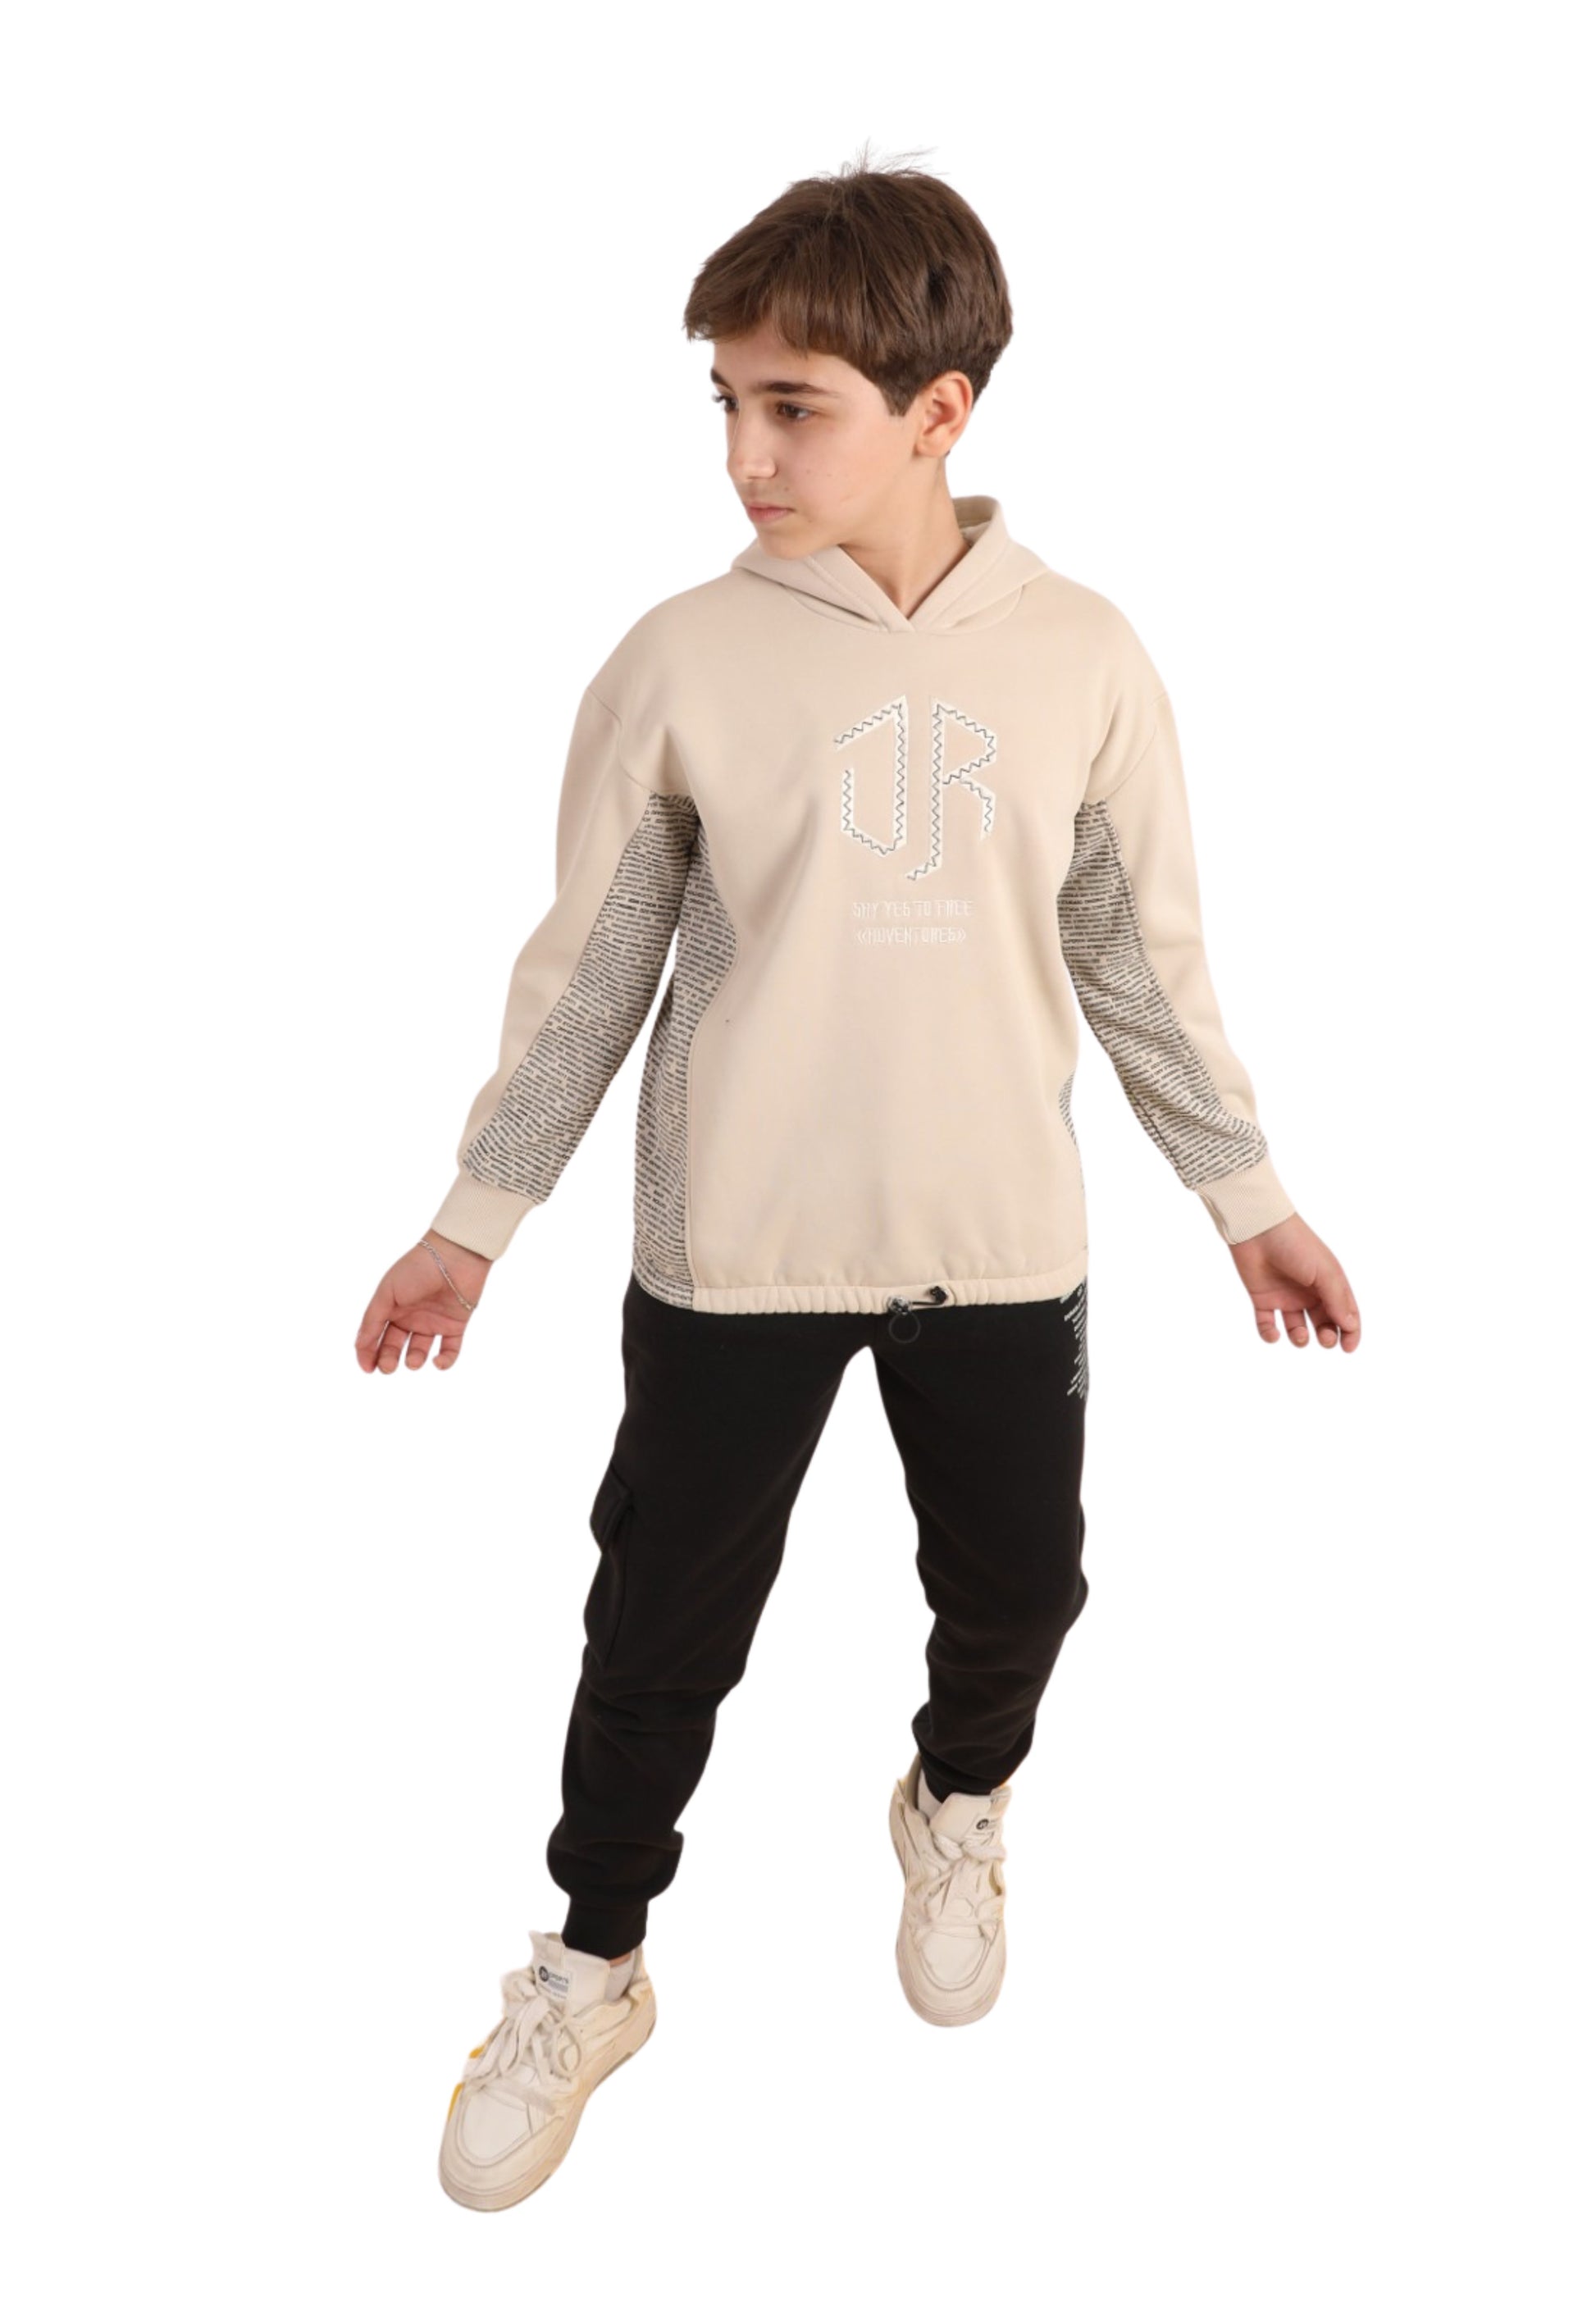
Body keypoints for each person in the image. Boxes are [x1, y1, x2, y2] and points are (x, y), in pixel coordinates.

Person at [354, 149, 1361, 2212]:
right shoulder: (681, 659)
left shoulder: (1083, 654)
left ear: (938, 408)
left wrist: (1245, 1192)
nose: (744, 452)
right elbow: (590, 973)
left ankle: (956, 1796)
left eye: (792, 405)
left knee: (1023, 1587)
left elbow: (1137, 956)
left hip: (997, 1242)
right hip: (736, 1247)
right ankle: (593, 1963)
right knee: (658, 1630)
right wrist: (474, 1223)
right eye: (726, 402)